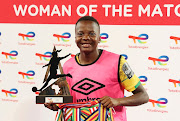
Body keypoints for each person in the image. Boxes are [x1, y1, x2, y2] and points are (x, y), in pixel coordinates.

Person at [45, 16, 149, 121]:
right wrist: (57, 105)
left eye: (92, 33)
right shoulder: (68, 66)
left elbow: (143, 96)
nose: (85, 37)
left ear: (99, 38)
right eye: (80, 34)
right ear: (75, 38)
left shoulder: (117, 62)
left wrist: (117, 101)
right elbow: (69, 100)